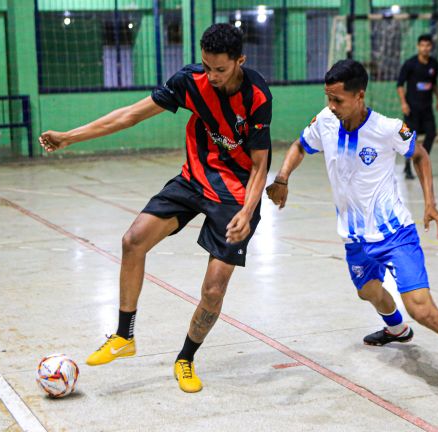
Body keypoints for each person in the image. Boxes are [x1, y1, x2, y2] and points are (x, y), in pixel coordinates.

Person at [38, 24, 272, 393]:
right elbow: (129, 115)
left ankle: (185, 358)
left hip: (235, 194)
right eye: (206, 66)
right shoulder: (190, 82)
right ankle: (124, 335)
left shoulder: (256, 95)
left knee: (213, 289)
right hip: (194, 179)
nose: (211, 76)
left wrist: (247, 211)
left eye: (220, 70)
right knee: (133, 240)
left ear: (240, 61)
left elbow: (260, 164)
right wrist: (70, 136)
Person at [266, 59, 438, 412]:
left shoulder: (387, 128)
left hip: (396, 234)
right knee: (369, 292)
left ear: (360, 95)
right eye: (328, 98)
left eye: (338, 100)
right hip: (356, 239)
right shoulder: (326, 121)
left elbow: (420, 155)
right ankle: (396, 330)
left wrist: (430, 204)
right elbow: (301, 145)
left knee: (423, 310)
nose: (331, 107)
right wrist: (283, 177)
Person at [396, 34, 438, 180]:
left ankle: (420, 157)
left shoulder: (434, 64)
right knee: (409, 138)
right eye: (422, 45)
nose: (425, 48)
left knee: (432, 134)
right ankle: (408, 167)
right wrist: (403, 103)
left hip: (427, 108)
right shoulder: (410, 64)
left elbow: (433, 83)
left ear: (431, 47)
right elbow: (400, 85)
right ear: (418, 46)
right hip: (412, 109)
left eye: (428, 45)